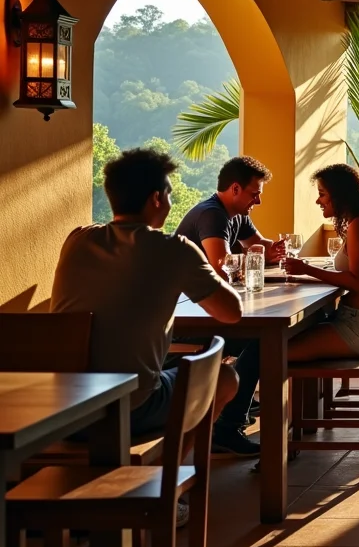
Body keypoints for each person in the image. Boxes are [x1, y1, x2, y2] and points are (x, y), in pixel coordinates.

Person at [51, 148, 243, 445]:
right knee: (225, 377)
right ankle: (170, 469)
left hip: (63, 410)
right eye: (169, 195)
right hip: (130, 409)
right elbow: (231, 313)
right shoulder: (174, 248)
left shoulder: (77, 239)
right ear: (157, 198)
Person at [173, 155, 286, 455]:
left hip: (209, 311)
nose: (258, 200)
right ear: (235, 189)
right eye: (254, 193)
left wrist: (275, 250)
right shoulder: (212, 215)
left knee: (264, 337)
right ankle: (228, 424)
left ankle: (237, 404)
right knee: (263, 339)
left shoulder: (237, 214)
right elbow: (220, 267)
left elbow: (258, 248)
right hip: (188, 318)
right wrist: (252, 260)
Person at [283, 165, 359, 361]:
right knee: (283, 339)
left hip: (357, 328)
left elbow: (357, 282)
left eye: (322, 194)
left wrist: (307, 269)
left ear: (340, 195)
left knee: (271, 352)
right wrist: (307, 274)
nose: (318, 201)